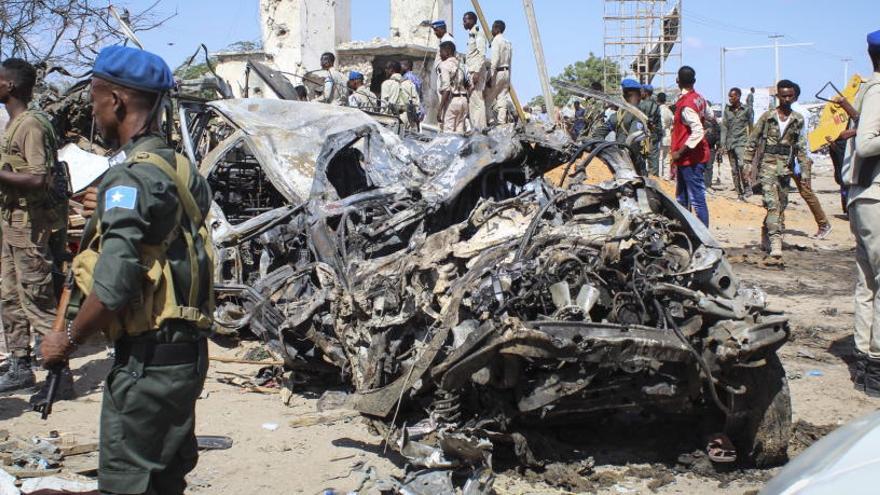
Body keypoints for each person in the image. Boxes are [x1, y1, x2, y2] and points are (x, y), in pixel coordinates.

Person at [40, 45, 214, 493]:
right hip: (186, 358)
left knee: (130, 484)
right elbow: (160, 230)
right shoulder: (180, 169)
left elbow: (115, 286)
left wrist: (69, 340)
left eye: (96, 98)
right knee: (165, 480)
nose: (94, 111)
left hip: (146, 366)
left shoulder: (129, 177)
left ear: (115, 100)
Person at [0, 58, 68, 398]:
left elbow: (39, 178)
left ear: (10, 85)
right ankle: (20, 366)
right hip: (12, 223)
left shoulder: (30, 126)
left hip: (30, 227)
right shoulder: (13, 124)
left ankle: (58, 375)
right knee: (10, 297)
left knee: (37, 298)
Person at [837, 30, 880, 396]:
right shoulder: (879, 90)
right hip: (875, 198)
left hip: (865, 197)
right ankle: (876, 365)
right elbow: (867, 145)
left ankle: (866, 363)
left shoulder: (869, 88)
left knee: (867, 283)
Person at [743, 79, 812, 258]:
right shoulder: (768, 117)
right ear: (778, 96)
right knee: (773, 205)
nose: (787, 99)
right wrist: (747, 164)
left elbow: (801, 147)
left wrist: (805, 171)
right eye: (783, 96)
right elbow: (753, 140)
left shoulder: (797, 119)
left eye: (790, 96)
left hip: (785, 168)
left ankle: (766, 232)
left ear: (794, 96)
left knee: (781, 205)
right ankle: (776, 241)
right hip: (767, 166)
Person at [669, 66, 711, 226]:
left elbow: (698, 131)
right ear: (694, 81)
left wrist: (680, 152)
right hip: (694, 157)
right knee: (682, 197)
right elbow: (710, 116)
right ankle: (685, 230)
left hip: (690, 158)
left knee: (696, 199)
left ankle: (703, 237)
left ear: (677, 81)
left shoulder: (686, 104)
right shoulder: (699, 99)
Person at [791, 83, 832, 239]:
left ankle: (824, 224)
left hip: (799, 158)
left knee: (806, 192)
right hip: (789, 158)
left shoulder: (799, 112)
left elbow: (799, 138)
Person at [592, 78, 649, 172]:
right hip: (633, 165)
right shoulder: (637, 116)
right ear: (637, 95)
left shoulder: (617, 115)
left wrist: (609, 153)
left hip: (618, 163)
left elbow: (597, 134)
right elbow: (632, 141)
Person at [720, 87, 752, 200]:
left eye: (731, 96)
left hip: (742, 142)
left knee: (742, 165)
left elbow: (751, 127)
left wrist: (752, 142)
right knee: (734, 170)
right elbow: (724, 127)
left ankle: (747, 187)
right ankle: (739, 193)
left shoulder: (747, 109)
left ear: (738, 96)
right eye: (729, 96)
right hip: (730, 143)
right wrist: (722, 144)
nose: (730, 98)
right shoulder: (727, 110)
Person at [462, 11, 488, 130]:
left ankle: (481, 128)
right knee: (473, 101)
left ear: (472, 20)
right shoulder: (472, 34)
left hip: (476, 71)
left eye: (465, 20)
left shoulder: (478, 33)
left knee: (477, 100)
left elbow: (482, 54)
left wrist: (477, 72)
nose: (463, 23)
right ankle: (475, 128)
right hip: (471, 70)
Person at [437, 41, 468, 134]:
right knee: (460, 132)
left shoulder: (444, 65)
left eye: (441, 52)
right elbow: (469, 85)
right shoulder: (462, 65)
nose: (440, 55)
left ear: (447, 52)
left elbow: (446, 89)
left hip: (452, 102)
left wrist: (440, 109)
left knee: (448, 133)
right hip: (464, 101)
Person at [485, 20, 512, 125]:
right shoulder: (508, 42)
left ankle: (491, 121)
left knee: (487, 100)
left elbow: (495, 60)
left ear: (497, 29)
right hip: (506, 72)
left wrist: (490, 76)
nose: (491, 30)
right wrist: (509, 81)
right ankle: (501, 123)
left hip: (498, 72)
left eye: (493, 28)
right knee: (502, 99)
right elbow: (510, 63)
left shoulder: (496, 41)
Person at [639, 84, 662, 175]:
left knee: (641, 157)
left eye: (641, 91)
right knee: (653, 159)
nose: (640, 93)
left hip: (642, 135)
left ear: (645, 93)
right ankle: (654, 179)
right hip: (654, 135)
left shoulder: (641, 105)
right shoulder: (656, 106)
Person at [658, 92, 674, 179]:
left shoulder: (658, 110)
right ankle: (667, 176)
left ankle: (660, 176)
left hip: (661, 136)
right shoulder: (669, 111)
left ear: (658, 100)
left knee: (660, 157)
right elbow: (673, 121)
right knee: (667, 157)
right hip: (668, 135)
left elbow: (661, 124)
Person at [703, 112, 721, 188]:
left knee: (709, 166)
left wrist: (718, 145)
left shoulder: (714, 123)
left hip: (711, 148)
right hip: (701, 147)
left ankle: (707, 184)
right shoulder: (700, 120)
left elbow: (718, 135)